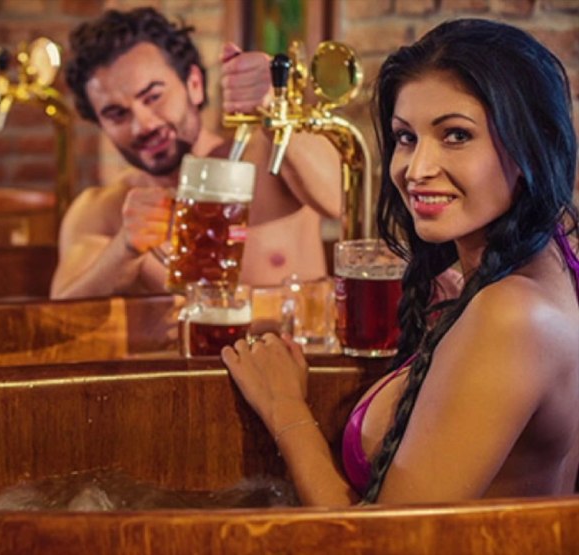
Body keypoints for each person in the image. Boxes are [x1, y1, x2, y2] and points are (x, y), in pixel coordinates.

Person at [222, 18, 579, 506]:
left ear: (529, 145)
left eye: (456, 135)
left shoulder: (511, 315)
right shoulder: (544, 268)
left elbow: (388, 542)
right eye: (406, 137)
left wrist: (285, 407)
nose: (416, 169)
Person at [50, 7, 342, 299]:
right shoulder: (103, 209)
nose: (143, 125)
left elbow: (342, 200)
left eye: (153, 96)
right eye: (116, 114)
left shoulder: (269, 156)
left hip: (293, 343)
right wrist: (124, 249)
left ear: (194, 85)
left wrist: (275, 114)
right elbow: (58, 316)